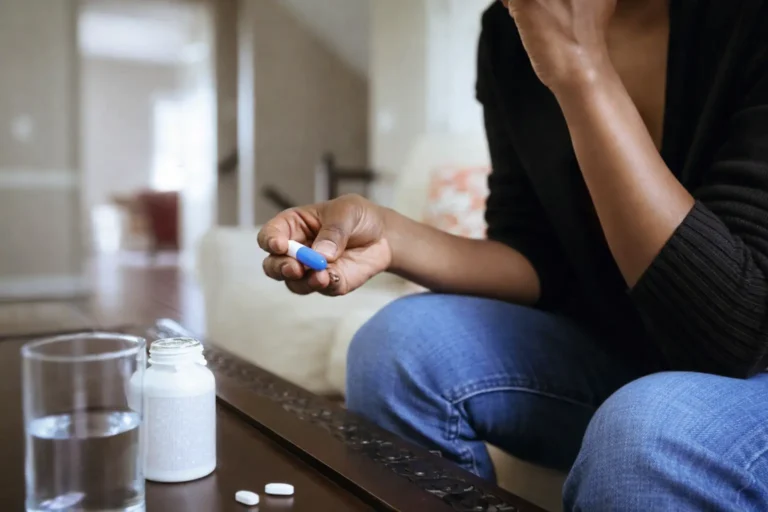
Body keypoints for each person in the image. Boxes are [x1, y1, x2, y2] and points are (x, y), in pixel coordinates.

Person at [259, 0, 768, 509]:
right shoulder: (510, 30)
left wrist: (580, 69)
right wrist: (390, 235)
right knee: (395, 347)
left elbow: (730, 338)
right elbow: (535, 253)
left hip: (749, 373)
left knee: (647, 434)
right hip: (619, 352)